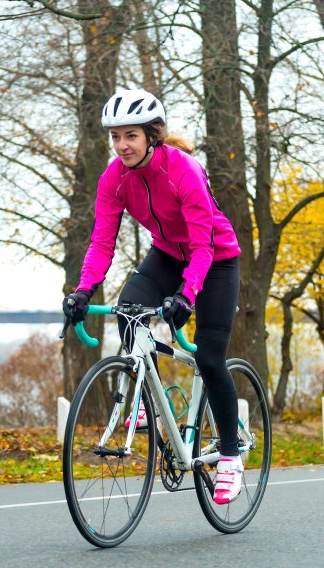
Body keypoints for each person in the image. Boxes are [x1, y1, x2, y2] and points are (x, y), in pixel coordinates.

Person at [61, 88, 244, 504]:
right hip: (165, 254)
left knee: (211, 357)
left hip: (214, 262)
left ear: (151, 136)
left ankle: (230, 457)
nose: (121, 145)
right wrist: (83, 289)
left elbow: (203, 246)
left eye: (130, 136)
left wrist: (187, 294)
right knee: (128, 310)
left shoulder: (183, 170)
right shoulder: (115, 178)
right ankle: (143, 394)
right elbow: (102, 241)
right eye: (116, 137)